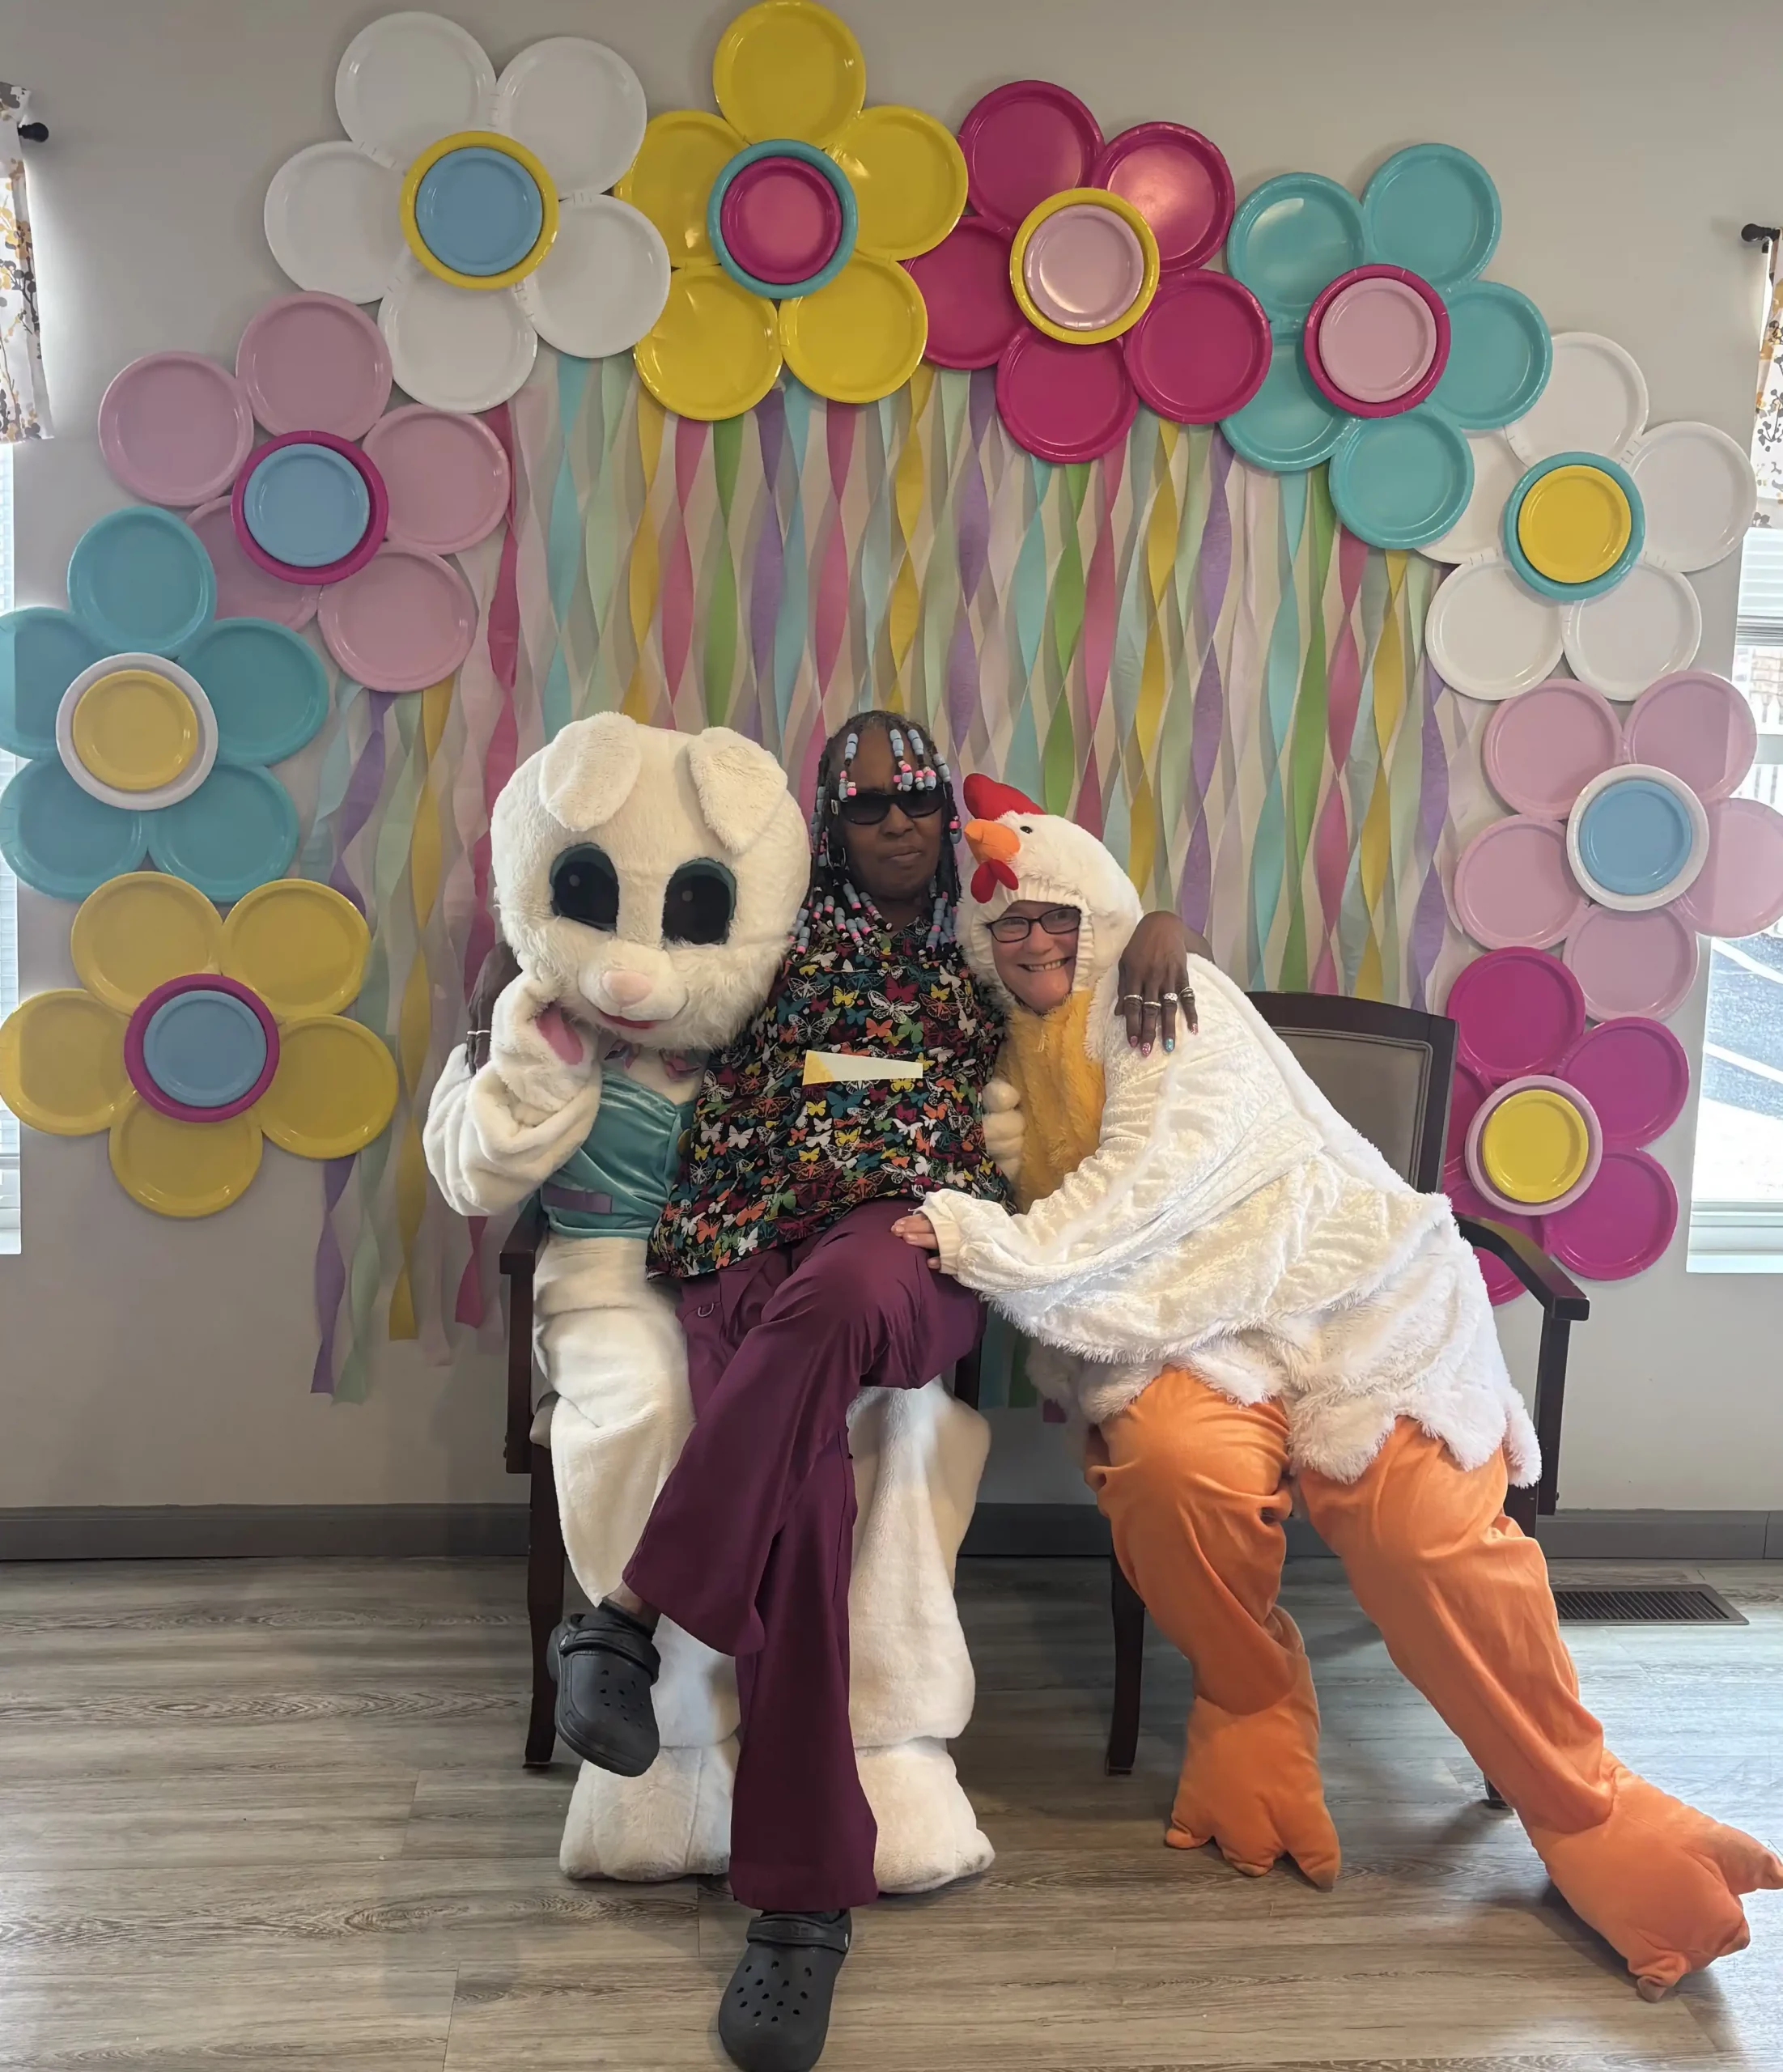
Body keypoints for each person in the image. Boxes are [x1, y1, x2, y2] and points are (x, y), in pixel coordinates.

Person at [894, 777, 1783, 2002]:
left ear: (1102, 916)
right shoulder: (1019, 1048)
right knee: (1175, 1472)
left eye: (1057, 915)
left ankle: (1587, 1807)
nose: (1035, 940)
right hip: (1200, 1324)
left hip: (1344, 1284)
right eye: (1008, 925)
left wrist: (984, 1240)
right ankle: (1250, 1703)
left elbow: (1157, 1168)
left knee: (1421, 1531)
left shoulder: (1163, 996)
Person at [548, 715, 1198, 2072]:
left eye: (915, 800)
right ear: (828, 826)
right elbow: (645, 964)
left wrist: (1162, 924)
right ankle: (799, 1909)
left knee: (844, 1303)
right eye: (865, 807)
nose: (895, 823)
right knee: (799, 1504)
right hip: (741, 1234)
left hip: (901, 1234)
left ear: (944, 811)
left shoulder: (982, 938)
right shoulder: (775, 933)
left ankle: (630, 1615)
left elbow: (1084, 928)